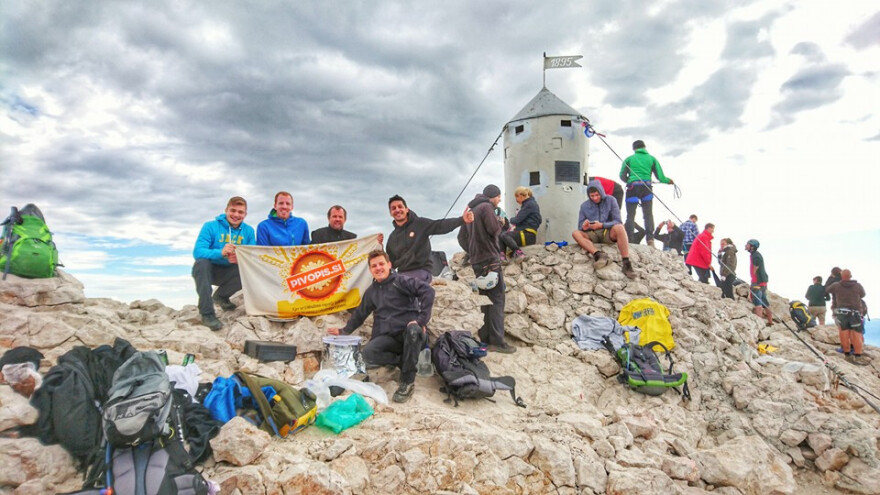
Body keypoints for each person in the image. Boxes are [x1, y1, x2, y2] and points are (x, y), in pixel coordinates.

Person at [328, 249, 435, 402]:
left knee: (413, 331)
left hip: (411, 336)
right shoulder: (371, 292)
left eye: (381, 264)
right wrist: (344, 331)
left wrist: (421, 320)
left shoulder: (402, 281)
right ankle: (405, 361)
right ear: (370, 270)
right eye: (374, 266)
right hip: (389, 339)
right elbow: (360, 314)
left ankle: (407, 382)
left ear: (389, 264)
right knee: (368, 354)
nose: (378, 268)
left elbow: (428, 291)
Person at [463, 184, 516, 353]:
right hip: (490, 258)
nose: (500, 200)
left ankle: (484, 338)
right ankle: (497, 342)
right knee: (497, 298)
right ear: (493, 196)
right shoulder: (487, 207)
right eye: (499, 197)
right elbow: (494, 230)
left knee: (485, 299)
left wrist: (472, 251)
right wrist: (499, 222)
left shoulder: (472, 209)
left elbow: (461, 236)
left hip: (477, 259)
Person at [192, 196, 256, 331]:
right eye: (233, 211)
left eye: (240, 212)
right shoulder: (210, 226)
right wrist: (220, 252)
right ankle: (207, 313)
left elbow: (252, 255)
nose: (236, 215)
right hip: (210, 270)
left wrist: (240, 258)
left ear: (245, 214)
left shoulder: (249, 231)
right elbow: (198, 251)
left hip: (230, 271)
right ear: (226, 210)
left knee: (249, 269)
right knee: (201, 264)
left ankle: (221, 296)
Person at [385, 194, 473, 284]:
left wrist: (461, 220)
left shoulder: (420, 223)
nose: (397, 210)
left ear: (407, 209)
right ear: (390, 213)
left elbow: (439, 225)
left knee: (407, 289)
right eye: (393, 208)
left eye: (400, 207)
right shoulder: (392, 238)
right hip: (401, 274)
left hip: (420, 271)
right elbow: (389, 263)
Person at [572, 179, 635, 278]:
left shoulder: (611, 200)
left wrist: (601, 225)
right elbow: (580, 226)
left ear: (601, 192)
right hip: (592, 233)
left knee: (620, 227)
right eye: (592, 196)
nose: (595, 198)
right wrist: (584, 227)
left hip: (607, 232)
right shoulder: (584, 206)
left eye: (597, 195)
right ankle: (598, 254)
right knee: (576, 233)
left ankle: (626, 263)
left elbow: (618, 221)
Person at [619, 140, 674, 247]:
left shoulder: (629, 159)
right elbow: (661, 177)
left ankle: (629, 239)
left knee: (630, 215)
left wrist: (629, 181)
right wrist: (669, 181)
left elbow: (621, 175)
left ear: (634, 149)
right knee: (648, 215)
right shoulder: (652, 159)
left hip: (632, 188)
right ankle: (650, 240)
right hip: (646, 188)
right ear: (644, 147)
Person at [825, 269, 868, 365]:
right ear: (851, 276)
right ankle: (858, 355)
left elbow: (827, 289)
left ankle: (847, 354)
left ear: (841, 276)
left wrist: (830, 278)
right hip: (855, 312)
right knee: (856, 334)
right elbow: (863, 295)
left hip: (841, 313)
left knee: (843, 333)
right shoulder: (857, 286)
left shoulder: (836, 285)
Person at [499, 186, 542, 261]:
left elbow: (516, 220)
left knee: (504, 235)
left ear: (521, 196)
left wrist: (512, 219)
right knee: (502, 235)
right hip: (528, 234)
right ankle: (502, 256)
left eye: (517, 197)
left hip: (527, 235)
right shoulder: (531, 204)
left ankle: (518, 252)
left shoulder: (529, 205)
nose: (516, 200)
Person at [745, 239, 773, 326]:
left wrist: (753, 280)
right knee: (765, 301)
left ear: (752, 247)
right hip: (762, 282)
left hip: (757, 282)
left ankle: (759, 324)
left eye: (748, 244)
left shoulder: (755, 255)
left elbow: (755, 268)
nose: (746, 245)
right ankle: (770, 321)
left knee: (757, 302)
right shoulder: (755, 255)